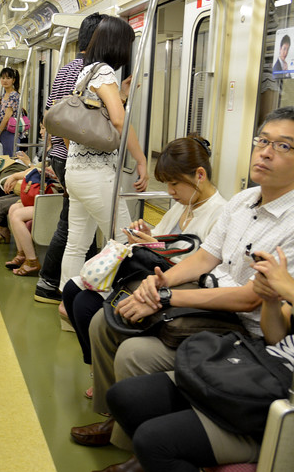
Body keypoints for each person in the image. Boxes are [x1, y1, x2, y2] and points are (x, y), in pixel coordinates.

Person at [71, 106, 294, 456]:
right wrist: (159, 283)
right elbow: (205, 258)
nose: (265, 152)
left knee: (134, 353)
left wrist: (167, 298)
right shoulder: (244, 200)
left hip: (243, 328)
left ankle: (132, 445)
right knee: (106, 319)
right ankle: (113, 415)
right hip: (205, 304)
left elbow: (250, 298)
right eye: (262, 141)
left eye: (282, 146)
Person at [95, 187, 294, 472]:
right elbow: (276, 337)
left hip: (290, 395)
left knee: (153, 441)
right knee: (124, 397)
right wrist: (271, 300)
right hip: (262, 363)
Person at [63, 135, 227, 399]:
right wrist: (146, 235)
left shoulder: (220, 214)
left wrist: (155, 247)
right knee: (73, 291)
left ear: (199, 175)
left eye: (174, 184)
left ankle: (106, 378)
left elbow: (200, 265)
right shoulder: (183, 206)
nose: (170, 192)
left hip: (172, 286)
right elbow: (163, 239)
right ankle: (99, 371)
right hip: (148, 274)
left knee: (86, 305)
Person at [59, 16, 149, 291]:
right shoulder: (105, 72)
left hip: (75, 172)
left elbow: (97, 116)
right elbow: (119, 121)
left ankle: (67, 302)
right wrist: (141, 159)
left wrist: (121, 95)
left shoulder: (86, 73)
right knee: (125, 242)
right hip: (97, 175)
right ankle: (113, 302)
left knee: (76, 244)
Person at [35, 13, 106, 307]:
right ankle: (50, 281)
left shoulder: (65, 69)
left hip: (60, 156)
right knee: (72, 226)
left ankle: (67, 284)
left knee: (77, 225)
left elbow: (52, 114)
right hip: (74, 157)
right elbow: (72, 124)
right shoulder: (90, 73)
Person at [0, 67, 21, 157]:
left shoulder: (14, 95)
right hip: (2, 131)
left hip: (10, 133)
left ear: (13, 80)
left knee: (9, 159)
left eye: (8, 78)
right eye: (3, 78)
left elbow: (7, 117)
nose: (5, 80)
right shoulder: (4, 95)